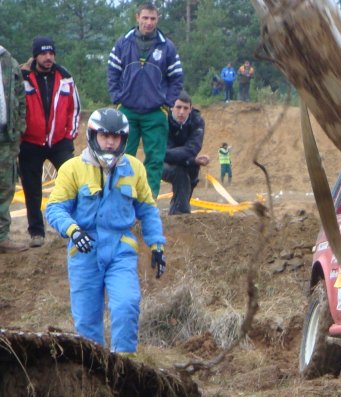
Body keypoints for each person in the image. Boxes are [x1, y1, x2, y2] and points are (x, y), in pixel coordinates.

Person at [45, 108, 166, 354]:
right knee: (87, 322)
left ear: (124, 139)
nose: (110, 142)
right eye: (104, 136)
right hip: (84, 251)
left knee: (126, 305)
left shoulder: (134, 168)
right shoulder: (72, 168)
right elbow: (55, 208)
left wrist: (156, 244)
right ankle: (94, 370)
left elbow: (148, 210)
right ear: (93, 135)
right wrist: (73, 230)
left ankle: (125, 365)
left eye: (116, 137)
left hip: (121, 250)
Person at [107, 2, 184, 201]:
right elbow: (112, 71)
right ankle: (121, 200)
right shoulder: (123, 43)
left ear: (158, 19)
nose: (149, 22)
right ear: (137, 18)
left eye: (153, 18)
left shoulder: (167, 46)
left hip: (155, 112)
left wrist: (167, 103)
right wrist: (117, 97)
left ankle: (148, 203)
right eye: (145, 18)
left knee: (155, 160)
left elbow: (177, 78)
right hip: (127, 110)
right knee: (122, 157)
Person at [18, 36, 81, 249]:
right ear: (36, 55)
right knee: (31, 189)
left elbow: (75, 107)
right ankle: (36, 232)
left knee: (73, 181)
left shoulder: (65, 77)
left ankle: (76, 225)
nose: (48, 57)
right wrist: (19, 135)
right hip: (30, 142)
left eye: (51, 53)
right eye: (44, 53)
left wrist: (70, 134)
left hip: (59, 141)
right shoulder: (23, 77)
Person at [161, 93, 209, 215]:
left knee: (193, 168)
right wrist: (190, 158)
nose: (181, 112)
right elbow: (162, 152)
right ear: (171, 107)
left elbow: (193, 149)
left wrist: (192, 160)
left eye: (185, 108)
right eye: (178, 107)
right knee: (179, 172)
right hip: (160, 162)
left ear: (190, 109)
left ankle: (179, 209)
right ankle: (180, 213)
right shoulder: (163, 120)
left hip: (184, 161)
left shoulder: (197, 121)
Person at [0, 41, 27, 254]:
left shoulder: (9, 62)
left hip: (6, 136)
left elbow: (20, 97)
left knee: (5, 186)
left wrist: (19, 129)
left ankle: (2, 236)